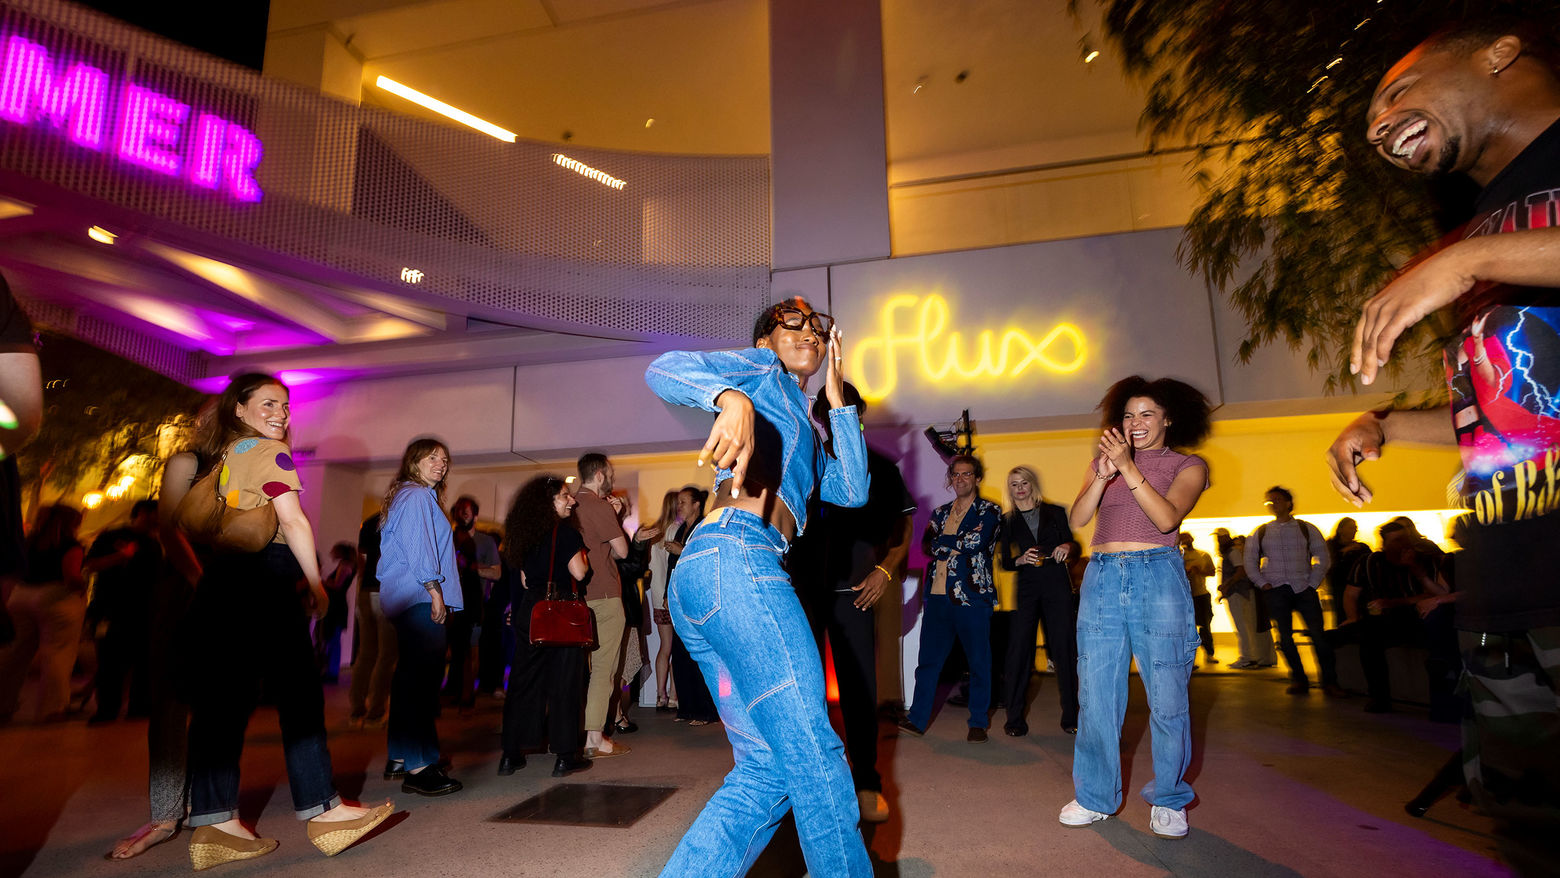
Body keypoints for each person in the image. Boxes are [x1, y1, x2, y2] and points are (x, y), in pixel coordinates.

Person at [1329, 18, 1560, 871]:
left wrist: (1464, 266)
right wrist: (1387, 426)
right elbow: (1507, 411)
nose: (1381, 126)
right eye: (1370, 125)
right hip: (1509, 594)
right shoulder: (1479, 226)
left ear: (1499, 53)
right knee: (1532, 835)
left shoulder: (1483, 244)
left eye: (1395, 92)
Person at [643, 297, 871, 876]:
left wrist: (839, 401)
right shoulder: (759, 371)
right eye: (792, 322)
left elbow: (852, 490)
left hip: (716, 572)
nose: (809, 333)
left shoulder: (808, 419)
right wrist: (730, 396)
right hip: (737, 558)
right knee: (816, 757)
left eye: (817, 329)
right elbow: (662, 368)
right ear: (766, 339)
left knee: (768, 768)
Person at [180, 373, 391, 868]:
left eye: (286, 405)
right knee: (299, 697)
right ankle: (324, 812)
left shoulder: (225, 455)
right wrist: (316, 585)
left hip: (224, 579)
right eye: (269, 403)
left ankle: (215, 826)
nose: (282, 413)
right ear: (239, 408)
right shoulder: (268, 452)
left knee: (223, 703)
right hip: (264, 578)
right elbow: (293, 519)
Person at [1058, 375, 1211, 840]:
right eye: (1128, 414)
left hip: (1157, 575)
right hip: (1102, 576)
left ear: (1168, 418)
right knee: (1096, 694)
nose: (1135, 422)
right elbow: (1079, 519)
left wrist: (1128, 468)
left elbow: (1166, 518)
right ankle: (1095, 797)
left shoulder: (1190, 464)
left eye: (1147, 413)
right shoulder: (1103, 463)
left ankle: (1169, 798)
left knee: (1167, 697)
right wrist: (1104, 474)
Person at [790, 382, 914, 821]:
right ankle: (810, 784)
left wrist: (884, 571)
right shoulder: (803, 465)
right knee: (802, 695)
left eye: (849, 411)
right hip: (800, 594)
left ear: (858, 414)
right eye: (827, 414)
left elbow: (903, 533)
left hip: (856, 595)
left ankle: (866, 782)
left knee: (860, 695)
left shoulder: (881, 469)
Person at [105, 435, 206, 860]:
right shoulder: (189, 462)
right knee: (171, 702)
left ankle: (202, 802)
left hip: (228, 591)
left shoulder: (258, 464)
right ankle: (165, 813)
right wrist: (203, 583)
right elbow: (169, 528)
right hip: (185, 591)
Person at [377, 438, 463, 797]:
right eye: (432, 457)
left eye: (444, 459)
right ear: (413, 462)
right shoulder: (415, 497)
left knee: (408, 679)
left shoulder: (408, 495)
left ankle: (400, 755)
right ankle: (420, 766)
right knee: (422, 685)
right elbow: (420, 548)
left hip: (406, 599)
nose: (440, 463)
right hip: (419, 597)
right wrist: (434, 590)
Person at [899, 455, 1002, 742]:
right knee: (928, 662)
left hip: (973, 598)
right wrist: (951, 545)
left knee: (979, 662)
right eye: (955, 475)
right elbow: (927, 546)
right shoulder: (940, 513)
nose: (960, 479)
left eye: (966, 474)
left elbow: (976, 543)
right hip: (937, 596)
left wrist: (945, 542)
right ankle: (917, 719)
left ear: (977, 478)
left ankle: (978, 722)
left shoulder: (989, 511)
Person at [498, 475, 592, 778]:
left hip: (532, 609)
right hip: (560, 610)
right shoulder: (565, 534)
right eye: (565, 496)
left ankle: (511, 754)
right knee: (565, 683)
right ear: (548, 501)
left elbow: (526, 580)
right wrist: (585, 561)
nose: (572, 500)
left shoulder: (524, 535)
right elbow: (578, 572)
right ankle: (565, 755)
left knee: (524, 681)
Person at [1338, 520, 1459, 717]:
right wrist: (1352, 617)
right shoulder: (1370, 562)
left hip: (1418, 616)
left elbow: (1434, 596)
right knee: (1368, 636)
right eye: (1397, 541)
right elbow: (1350, 593)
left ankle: (1443, 703)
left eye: (1405, 539)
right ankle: (1379, 697)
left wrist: (1395, 599)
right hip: (1385, 620)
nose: (1403, 545)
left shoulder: (1424, 560)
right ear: (1385, 544)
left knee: (1435, 638)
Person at [996, 465, 1077, 736]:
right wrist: (1020, 559)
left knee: (1064, 651)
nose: (1019, 488)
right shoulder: (1006, 521)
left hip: (1057, 587)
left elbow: (1071, 544)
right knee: (1019, 652)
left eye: (1024, 483)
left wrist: (1067, 547)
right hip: (1027, 589)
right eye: (1014, 484)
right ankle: (1014, 719)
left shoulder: (1055, 512)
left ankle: (1071, 717)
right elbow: (1006, 561)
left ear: (1033, 485)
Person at [1244, 486, 1343, 697]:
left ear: (1289, 503)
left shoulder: (1306, 528)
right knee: (1285, 638)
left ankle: (1330, 682)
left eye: (1277, 500)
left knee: (1319, 637)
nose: (1272, 504)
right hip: (1276, 590)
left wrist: (1312, 582)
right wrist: (1262, 583)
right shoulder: (1261, 531)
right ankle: (1299, 679)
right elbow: (1249, 560)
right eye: (1269, 501)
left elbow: (1322, 557)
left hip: (1303, 588)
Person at [0, 504, 87, 722]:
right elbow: (71, 576)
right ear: (70, 523)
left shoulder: (27, 543)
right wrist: (83, 585)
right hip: (55, 598)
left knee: (13, 656)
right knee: (57, 654)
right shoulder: (69, 545)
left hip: (21, 596)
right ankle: (52, 710)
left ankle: (2, 705)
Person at [571, 452, 632, 758]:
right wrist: (616, 518)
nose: (612, 477)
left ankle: (580, 732)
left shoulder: (570, 504)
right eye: (609, 472)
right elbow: (622, 551)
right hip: (605, 595)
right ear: (598, 474)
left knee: (582, 669)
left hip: (578, 597)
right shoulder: (599, 506)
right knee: (603, 670)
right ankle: (594, 737)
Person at [84, 499, 163, 723]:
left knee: (144, 660)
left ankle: (140, 706)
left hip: (146, 611)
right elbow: (91, 564)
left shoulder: (156, 541)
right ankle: (107, 709)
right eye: (158, 513)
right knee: (111, 661)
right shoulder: (112, 537)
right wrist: (122, 556)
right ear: (144, 513)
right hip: (113, 609)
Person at [666, 487, 719, 725]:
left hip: (698, 596)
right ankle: (686, 708)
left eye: (684, 502)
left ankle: (706, 711)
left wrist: (682, 550)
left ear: (697, 504)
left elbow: (706, 556)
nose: (680, 506)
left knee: (699, 654)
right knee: (680, 654)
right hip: (680, 596)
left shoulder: (704, 526)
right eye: (679, 502)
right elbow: (672, 566)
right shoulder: (679, 529)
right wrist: (668, 593)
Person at [347, 512, 395, 730]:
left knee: (366, 654)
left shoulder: (369, 522)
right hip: (388, 591)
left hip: (367, 590)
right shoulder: (402, 518)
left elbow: (361, 559)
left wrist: (360, 591)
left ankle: (356, 709)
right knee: (386, 656)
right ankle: (376, 713)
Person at [637, 490, 679, 711]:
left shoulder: (654, 533)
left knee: (665, 647)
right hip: (672, 597)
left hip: (656, 597)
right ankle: (674, 696)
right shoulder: (675, 531)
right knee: (678, 649)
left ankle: (660, 694)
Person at [1217, 531, 1274, 670]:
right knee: (1245, 626)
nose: (1219, 541)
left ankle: (1248, 657)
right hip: (1239, 592)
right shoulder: (1231, 553)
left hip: (1239, 593)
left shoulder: (1232, 553)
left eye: (1221, 538)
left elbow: (1240, 571)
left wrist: (1227, 585)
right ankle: (1251, 656)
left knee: (1243, 626)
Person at [316, 543, 356, 684]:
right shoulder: (348, 565)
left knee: (333, 639)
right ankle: (331, 670)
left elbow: (337, 585)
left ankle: (332, 672)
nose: (332, 552)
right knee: (333, 639)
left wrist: (321, 581)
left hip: (336, 607)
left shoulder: (344, 567)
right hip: (337, 606)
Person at [1179, 533, 1217, 667]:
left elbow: (1212, 572)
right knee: (1187, 628)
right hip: (1183, 596)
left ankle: (1209, 654)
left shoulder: (1203, 555)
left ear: (1192, 539)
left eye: (1187, 538)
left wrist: (1198, 571)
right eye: (1182, 539)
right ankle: (1189, 658)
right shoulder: (1177, 556)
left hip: (1201, 594)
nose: (1185, 541)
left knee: (1205, 625)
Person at [1325, 518, 1372, 628]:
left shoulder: (1362, 548)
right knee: (1342, 613)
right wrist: (1346, 551)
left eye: (1355, 528)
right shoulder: (1331, 546)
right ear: (1341, 530)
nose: (1355, 530)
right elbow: (1330, 563)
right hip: (1340, 587)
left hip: (1359, 588)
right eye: (1351, 527)